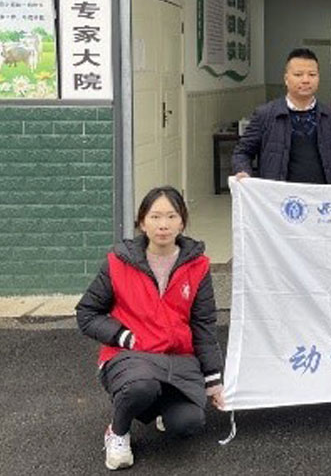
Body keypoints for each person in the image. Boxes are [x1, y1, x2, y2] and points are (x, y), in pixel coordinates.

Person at [76, 186, 224, 471]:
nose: (163, 225)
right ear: (142, 222)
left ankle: (158, 408)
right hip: (131, 357)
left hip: (178, 361)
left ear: (182, 222)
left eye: (171, 216)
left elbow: (203, 325)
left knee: (189, 423)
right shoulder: (118, 262)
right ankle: (117, 433)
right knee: (141, 388)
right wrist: (122, 336)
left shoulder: (198, 266)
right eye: (155, 217)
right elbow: (87, 313)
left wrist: (213, 380)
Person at [232, 47, 331, 185]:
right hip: (280, 194)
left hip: (321, 193)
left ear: (318, 78)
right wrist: (243, 171)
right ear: (286, 79)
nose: (306, 80)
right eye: (298, 74)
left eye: (312, 74)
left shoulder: (328, 115)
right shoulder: (266, 114)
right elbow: (242, 152)